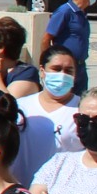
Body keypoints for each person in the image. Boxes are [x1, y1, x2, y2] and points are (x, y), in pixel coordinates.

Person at [17, 46, 86, 184]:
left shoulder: (82, 110)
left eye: (68, 71)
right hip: (22, 186)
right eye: (56, 69)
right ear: (42, 71)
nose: (62, 75)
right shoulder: (20, 106)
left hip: (62, 189)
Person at [41, 0, 97, 92]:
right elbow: (46, 39)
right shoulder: (64, 12)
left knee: (79, 101)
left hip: (80, 67)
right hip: (66, 68)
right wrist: (48, 62)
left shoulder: (82, 13)